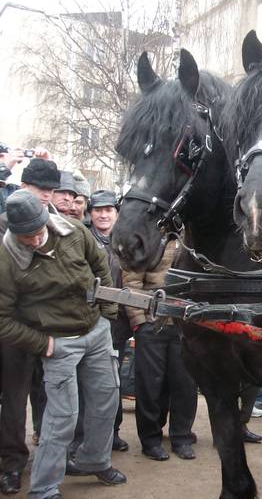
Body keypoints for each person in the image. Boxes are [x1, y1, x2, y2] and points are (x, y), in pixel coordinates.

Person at [0, 190, 126, 499]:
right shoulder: (6, 260)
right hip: (58, 342)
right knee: (61, 417)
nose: (32, 240)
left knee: (106, 400)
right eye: (24, 236)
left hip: (96, 331)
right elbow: (2, 319)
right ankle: (44, 488)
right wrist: (43, 344)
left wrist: (107, 314)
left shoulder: (75, 231)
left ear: (46, 220)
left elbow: (102, 267)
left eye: (36, 232)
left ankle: (94, 460)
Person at [0, 159, 60, 495]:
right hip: (15, 330)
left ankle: (47, 456)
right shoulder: (2, 230)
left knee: (49, 396)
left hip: (53, 325)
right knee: (14, 398)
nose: (47, 197)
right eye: (41, 191)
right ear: (23, 188)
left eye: (51, 191)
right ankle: (12, 463)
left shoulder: (60, 226)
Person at [123, 240, 198, 461]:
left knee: (185, 384)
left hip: (185, 324)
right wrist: (139, 321)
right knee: (150, 384)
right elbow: (131, 282)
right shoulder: (146, 239)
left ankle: (182, 436)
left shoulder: (190, 240)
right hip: (151, 322)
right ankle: (150, 439)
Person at [71, 191, 130, 454]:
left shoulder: (127, 241)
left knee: (113, 382)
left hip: (118, 324)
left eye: (109, 210)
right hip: (88, 322)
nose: (103, 215)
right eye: (98, 210)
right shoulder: (81, 239)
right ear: (89, 213)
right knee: (86, 385)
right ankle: (80, 436)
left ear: (117, 214)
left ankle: (112, 433)